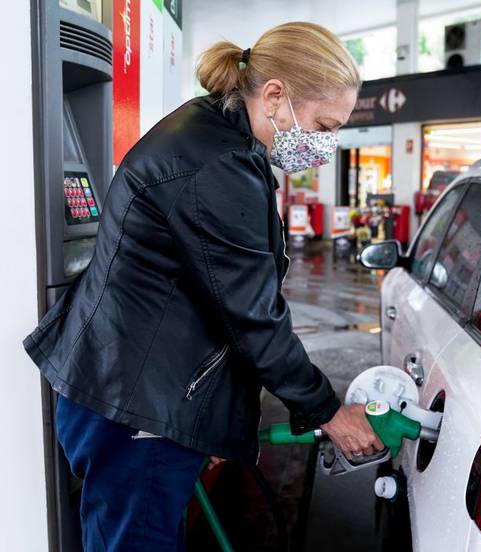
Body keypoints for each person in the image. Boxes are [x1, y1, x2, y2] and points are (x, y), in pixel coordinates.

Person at [23, 21, 383, 551]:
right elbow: (253, 318)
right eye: (324, 126)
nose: (326, 146)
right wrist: (328, 411)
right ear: (276, 95)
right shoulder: (215, 166)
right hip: (137, 405)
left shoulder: (217, 136)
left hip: (134, 388)